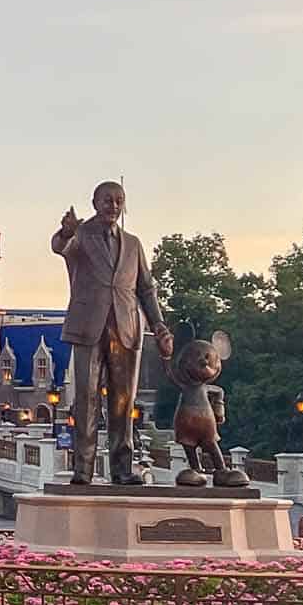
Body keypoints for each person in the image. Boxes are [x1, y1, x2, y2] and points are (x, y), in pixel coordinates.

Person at [50, 181, 173, 485]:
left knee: (123, 401)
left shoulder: (133, 243)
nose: (113, 206)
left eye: (119, 201)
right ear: (94, 202)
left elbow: (146, 288)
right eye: (107, 200)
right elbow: (60, 247)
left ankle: (122, 469)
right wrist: (66, 231)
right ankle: (83, 470)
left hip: (126, 326)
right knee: (86, 400)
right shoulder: (81, 235)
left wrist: (158, 325)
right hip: (88, 325)